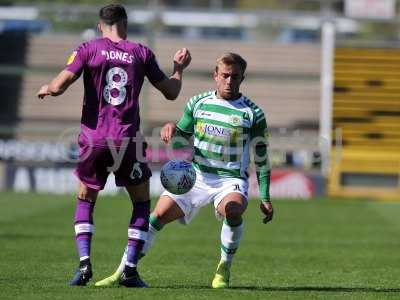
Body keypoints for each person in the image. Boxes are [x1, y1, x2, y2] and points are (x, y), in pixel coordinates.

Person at [36, 4, 191, 288]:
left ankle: (84, 267)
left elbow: (59, 86)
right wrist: (179, 70)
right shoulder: (141, 53)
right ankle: (130, 270)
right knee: (142, 202)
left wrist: (47, 88)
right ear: (125, 23)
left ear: (100, 25)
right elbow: (171, 92)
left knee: (85, 199)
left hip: (94, 140)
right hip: (127, 140)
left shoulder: (88, 49)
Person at [95, 52, 274, 289]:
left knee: (233, 210)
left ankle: (224, 267)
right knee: (156, 217)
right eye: (225, 76)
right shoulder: (198, 103)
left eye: (235, 77)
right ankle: (121, 271)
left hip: (230, 180)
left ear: (243, 78)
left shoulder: (253, 113)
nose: (229, 81)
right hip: (196, 176)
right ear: (215, 75)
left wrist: (265, 196)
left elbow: (261, 157)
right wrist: (171, 128)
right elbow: (181, 137)